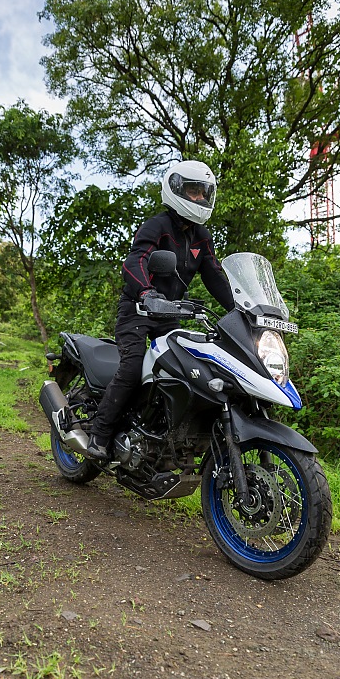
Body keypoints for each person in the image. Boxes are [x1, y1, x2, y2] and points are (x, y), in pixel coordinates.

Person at [86, 159, 235, 460]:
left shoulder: (201, 237)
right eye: (193, 192)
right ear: (176, 189)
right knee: (131, 367)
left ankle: (161, 433)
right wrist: (146, 292)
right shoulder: (157, 227)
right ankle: (99, 436)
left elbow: (215, 277)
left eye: (204, 193)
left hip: (171, 316)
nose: (200, 199)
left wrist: (243, 308)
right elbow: (135, 261)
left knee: (188, 368)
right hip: (138, 311)